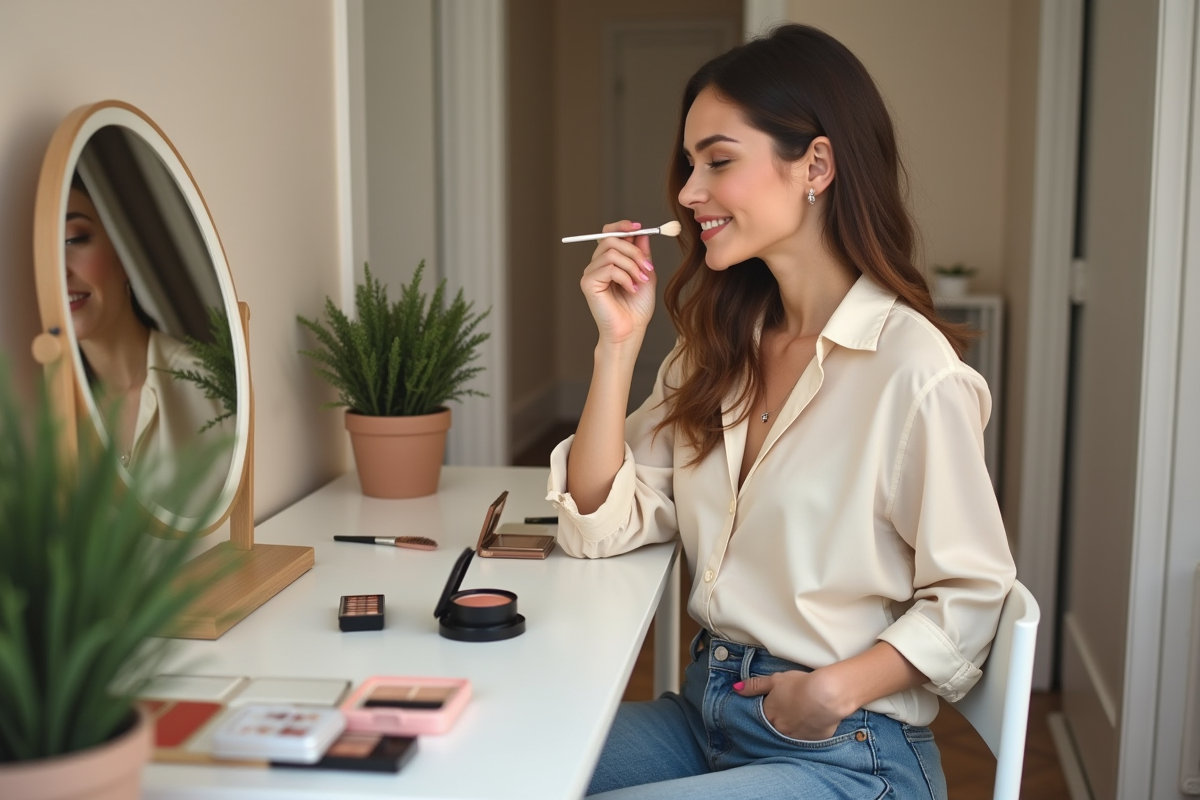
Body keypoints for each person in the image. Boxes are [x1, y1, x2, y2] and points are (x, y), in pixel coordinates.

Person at [545, 24, 1016, 800]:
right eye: (690, 165)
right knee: (502, 765)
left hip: (844, 746)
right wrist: (616, 348)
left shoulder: (913, 370)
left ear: (816, 166)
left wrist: (832, 690)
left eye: (718, 162)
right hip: (706, 715)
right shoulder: (715, 350)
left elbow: (973, 596)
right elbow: (599, 521)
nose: (689, 191)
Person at [65, 177, 233, 515]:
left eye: (75, 239)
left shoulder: (208, 385)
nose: (60, 269)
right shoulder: (39, 415)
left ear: (123, 252)